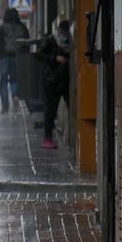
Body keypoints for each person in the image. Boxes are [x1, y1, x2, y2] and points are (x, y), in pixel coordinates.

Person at [35, 20, 72, 149]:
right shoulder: (50, 40)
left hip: (64, 80)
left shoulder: (70, 43)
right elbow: (38, 54)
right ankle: (47, 138)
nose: (64, 35)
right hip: (50, 80)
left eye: (66, 33)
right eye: (63, 32)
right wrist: (55, 57)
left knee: (72, 105)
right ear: (59, 30)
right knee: (50, 110)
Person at [0, 8, 31, 113]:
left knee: (3, 82)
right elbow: (27, 43)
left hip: (4, 57)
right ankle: (15, 96)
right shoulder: (23, 28)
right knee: (15, 79)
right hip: (18, 57)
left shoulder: (1, 29)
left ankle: (5, 107)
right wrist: (26, 56)